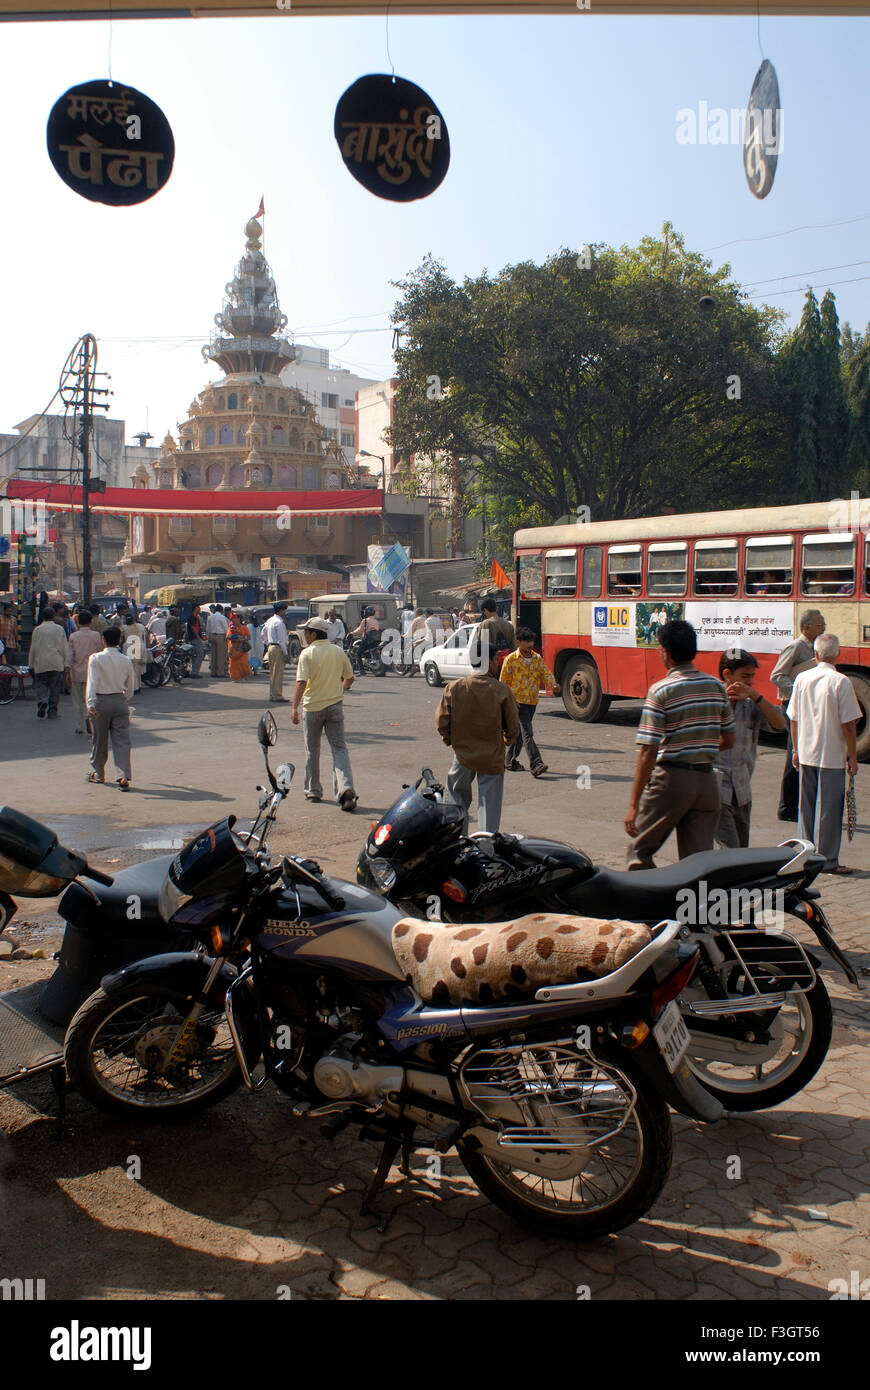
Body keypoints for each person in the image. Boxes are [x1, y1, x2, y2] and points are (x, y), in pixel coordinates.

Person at [624, 620, 735, 869]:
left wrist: (633, 805)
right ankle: (697, 906)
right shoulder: (717, 687)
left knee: (638, 854)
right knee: (697, 863)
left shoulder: (661, 690)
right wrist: (699, 747)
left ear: (666, 652)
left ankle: (651, 905)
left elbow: (648, 750)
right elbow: (729, 740)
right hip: (707, 784)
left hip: (671, 781)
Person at [787, 633, 861, 875]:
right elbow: (849, 725)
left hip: (806, 752)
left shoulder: (801, 678)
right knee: (828, 809)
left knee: (805, 807)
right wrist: (852, 755)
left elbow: (794, 718)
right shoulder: (841, 681)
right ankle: (827, 860)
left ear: (816, 654)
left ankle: (804, 856)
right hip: (831, 755)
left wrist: (796, 749)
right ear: (837, 654)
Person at [435, 641, 520, 833]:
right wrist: (505, 742)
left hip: (463, 754)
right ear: (489, 662)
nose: (497, 663)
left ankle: (456, 841)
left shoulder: (455, 688)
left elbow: (442, 722)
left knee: (456, 797)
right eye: (495, 659)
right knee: (489, 805)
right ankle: (486, 847)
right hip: (492, 756)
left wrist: (451, 741)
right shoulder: (501, 690)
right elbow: (513, 728)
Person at [714, 648, 786, 849]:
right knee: (730, 850)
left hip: (742, 789)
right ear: (727, 674)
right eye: (745, 676)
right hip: (717, 790)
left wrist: (755, 696)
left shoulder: (751, 704)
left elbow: (780, 724)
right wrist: (727, 702)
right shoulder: (711, 699)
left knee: (741, 850)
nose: (749, 682)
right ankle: (713, 882)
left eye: (752, 677)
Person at [291, 617, 358, 811]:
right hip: (335, 705)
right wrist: (338, 691)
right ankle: (346, 790)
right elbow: (349, 678)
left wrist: (294, 707)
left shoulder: (308, 653)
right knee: (339, 749)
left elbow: (301, 682)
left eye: (306, 631)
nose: (304, 634)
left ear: (313, 633)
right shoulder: (337, 651)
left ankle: (314, 790)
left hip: (312, 707)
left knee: (312, 749)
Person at [771, 610, 825, 821]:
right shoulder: (795, 647)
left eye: (823, 625)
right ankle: (786, 808)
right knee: (793, 754)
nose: (823, 628)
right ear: (806, 627)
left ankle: (796, 805)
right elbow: (776, 675)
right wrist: (798, 689)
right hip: (791, 704)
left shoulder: (815, 647)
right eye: (819, 625)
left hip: (805, 705)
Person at [499, 627, 560, 777]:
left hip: (532, 701)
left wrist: (554, 685)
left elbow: (546, 673)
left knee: (520, 734)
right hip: (517, 703)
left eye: (532, 641)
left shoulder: (536, 658)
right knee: (528, 733)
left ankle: (509, 761)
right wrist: (508, 702)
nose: (530, 644)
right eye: (527, 641)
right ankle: (536, 764)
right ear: (519, 642)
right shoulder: (511, 659)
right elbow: (503, 682)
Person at [86, 626, 135, 789]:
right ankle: (123, 776)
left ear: (103, 640)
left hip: (101, 701)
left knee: (99, 740)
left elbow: (92, 682)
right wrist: (124, 699)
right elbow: (131, 685)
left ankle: (99, 773)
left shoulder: (96, 658)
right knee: (122, 741)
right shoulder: (126, 660)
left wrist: (90, 703)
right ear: (119, 641)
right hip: (119, 701)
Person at [65, 608, 103, 735]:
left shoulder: (73, 636)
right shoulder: (96, 636)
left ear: (78, 622)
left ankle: (80, 726)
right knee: (91, 698)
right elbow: (99, 653)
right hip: (92, 672)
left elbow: (70, 656)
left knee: (77, 701)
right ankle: (89, 717)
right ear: (90, 621)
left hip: (76, 672)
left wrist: (67, 671)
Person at [29, 610, 68, 719]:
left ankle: (42, 701)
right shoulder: (59, 629)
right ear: (53, 617)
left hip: (41, 662)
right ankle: (52, 711)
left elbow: (33, 648)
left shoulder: (37, 630)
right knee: (54, 687)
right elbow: (64, 647)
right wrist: (66, 663)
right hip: (56, 662)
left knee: (41, 684)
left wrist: (30, 664)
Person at [262, 602, 290, 702]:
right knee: (278, 672)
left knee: (272, 673)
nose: (285, 612)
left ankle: (272, 694)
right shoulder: (280, 622)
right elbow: (281, 640)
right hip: (278, 648)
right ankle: (277, 695)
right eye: (284, 610)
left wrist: (266, 644)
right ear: (281, 610)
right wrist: (286, 654)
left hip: (270, 647)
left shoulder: (269, 621)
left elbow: (263, 633)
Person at [122, 612, 148, 693]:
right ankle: (138, 686)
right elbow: (144, 637)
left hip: (129, 647)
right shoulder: (140, 626)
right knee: (137, 668)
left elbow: (122, 639)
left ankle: (133, 687)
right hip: (140, 646)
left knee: (131, 668)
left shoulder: (124, 628)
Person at [206, 604, 229, 676]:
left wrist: (208, 637)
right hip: (220, 636)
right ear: (221, 610)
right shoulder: (222, 617)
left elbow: (208, 629)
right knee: (221, 655)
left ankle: (213, 672)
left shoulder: (210, 617)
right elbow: (226, 629)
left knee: (213, 655)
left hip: (212, 635)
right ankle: (220, 672)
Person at [187, 603, 207, 678]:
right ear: (196, 608)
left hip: (194, 638)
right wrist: (198, 637)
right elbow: (193, 628)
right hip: (195, 638)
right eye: (199, 607)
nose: (200, 609)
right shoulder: (193, 617)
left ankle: (194, 671)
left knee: (195, 654)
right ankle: (195, 672)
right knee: (200, 654)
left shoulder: (195, 617)